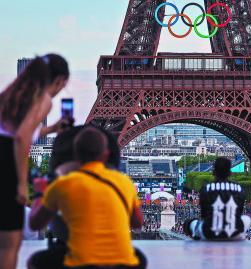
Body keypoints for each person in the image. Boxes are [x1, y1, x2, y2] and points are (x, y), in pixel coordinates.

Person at [28, 127, 147, 269]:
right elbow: (137, 223)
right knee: (139, 257)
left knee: (35, 261)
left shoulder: (63, 184)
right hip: (122, 264)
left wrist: (40, 193)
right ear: (106, 155)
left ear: (76, 156)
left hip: (82, 264)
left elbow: (35, 224)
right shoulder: (124, 181)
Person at [0, 54, 70, 269]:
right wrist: (21, 183)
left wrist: (50, 129)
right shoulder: (44, 99)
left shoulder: (11, 94)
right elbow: (21, 138)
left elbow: (17, 129)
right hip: (6, 161)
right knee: (10, 243)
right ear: (58, 81)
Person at [183, 157, 251, 240]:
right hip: (234, 232)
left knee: (190, 223)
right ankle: (239, 235)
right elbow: (239, 212)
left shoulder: (206, 189)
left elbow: (204, 215)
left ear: (213, 172)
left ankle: (197, 236)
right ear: (230, 172)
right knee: (247, 218)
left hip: (209, 233)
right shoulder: (239, 189)